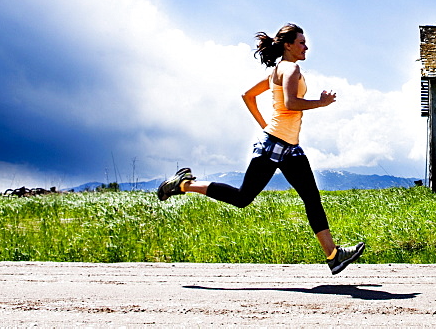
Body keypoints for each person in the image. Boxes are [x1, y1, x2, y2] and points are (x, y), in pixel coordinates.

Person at [156, 23, 365, 275]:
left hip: (288, 146)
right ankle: (183, 185)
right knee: (243, 197)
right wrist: (320, 103)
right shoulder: (290, 68)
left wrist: (266, 125)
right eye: (301, 42)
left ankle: (333, 255)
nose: (306, 46)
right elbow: (290, 102)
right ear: (288, 45)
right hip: (275, 144)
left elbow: (247, 95)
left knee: (311, 198)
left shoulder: (277, 71)